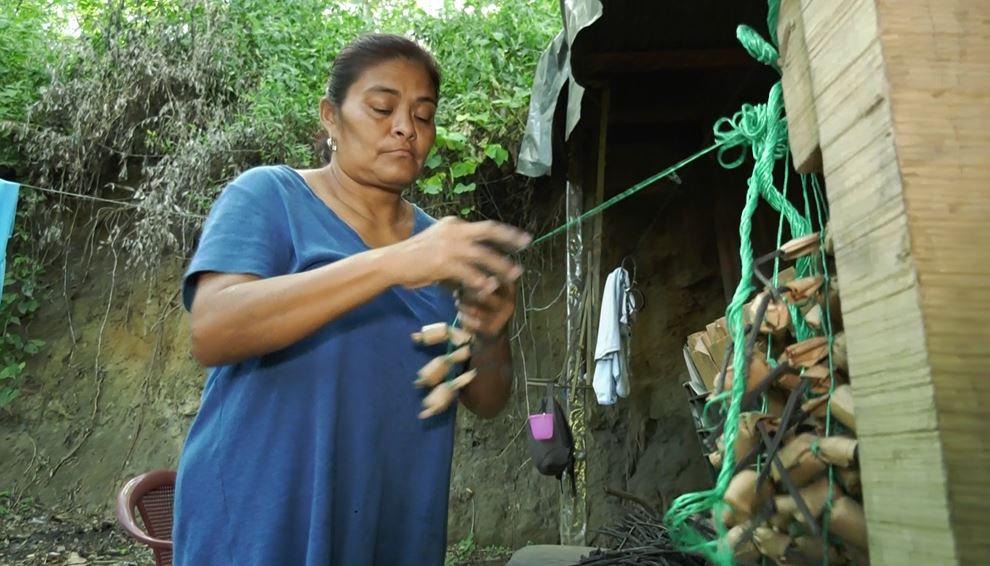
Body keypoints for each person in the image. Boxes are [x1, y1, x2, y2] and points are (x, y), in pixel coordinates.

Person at [172, 33, 531, 566]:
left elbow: (486, 401)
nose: (406, 127)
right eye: (382, 107)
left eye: (424, 115)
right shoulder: (269, 196)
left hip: (391, 525)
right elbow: (214, 328)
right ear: (331, 118)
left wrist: (490, 331)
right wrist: (394, 263)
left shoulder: (441, 247)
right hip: (260, 522)